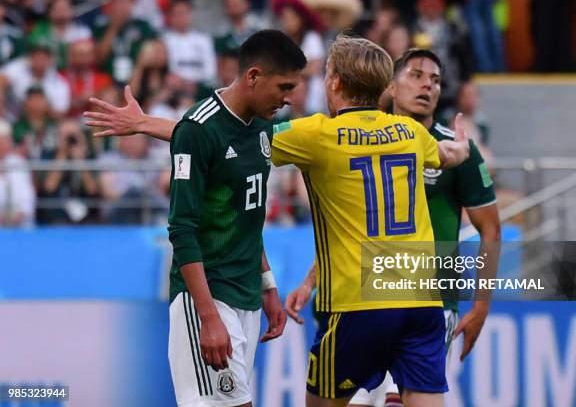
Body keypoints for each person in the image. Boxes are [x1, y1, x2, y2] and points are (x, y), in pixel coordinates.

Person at [84, 33, 470, 407]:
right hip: (423, 302)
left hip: (358, 303)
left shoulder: (318, 134)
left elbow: (226, 139)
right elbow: (447, 155)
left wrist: (146, 123)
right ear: (385, 88)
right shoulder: (409, 132)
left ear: (334, 82)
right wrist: (461, 149)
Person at [87, 29, 306, 407]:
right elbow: (182, 229)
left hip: (246, 295)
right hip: (208, 295)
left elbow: (248, 219)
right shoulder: (199, 127)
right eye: (284, 86)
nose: (289, 98)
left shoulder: (261, 127)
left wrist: (268, 285)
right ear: (253, 76)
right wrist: (207, 316)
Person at [343, 49, 500, 407]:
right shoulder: (367, 141)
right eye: (416, 75)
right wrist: (311, 280)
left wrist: (481, 306)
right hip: (370, 293)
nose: (427, 85)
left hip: (432, 301)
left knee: (399, 400)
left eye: (435, 80)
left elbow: (490, 230)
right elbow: (348, 222)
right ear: (391, 88)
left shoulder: (460, 151)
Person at [0, 119, 35, 227]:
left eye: (9, 139)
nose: (9, 143)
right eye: (5, 140)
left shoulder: (19, 162)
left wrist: (19, 215)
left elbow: (28, 197)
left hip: (20, 225)